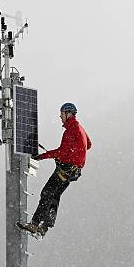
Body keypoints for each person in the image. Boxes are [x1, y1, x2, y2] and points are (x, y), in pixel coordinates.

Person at [17, 102, 92, 238]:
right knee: (54, 195)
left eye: (62, 113)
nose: (60, 116)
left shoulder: (71, 130)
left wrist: (41, 156)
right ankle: (44, 227)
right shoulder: (79, 128)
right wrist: (75, 154)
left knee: (47, 193)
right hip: (74, 171)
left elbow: (61, 152)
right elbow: (89, 144)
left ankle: (34, 224)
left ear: (68, 114)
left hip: (66, 169)